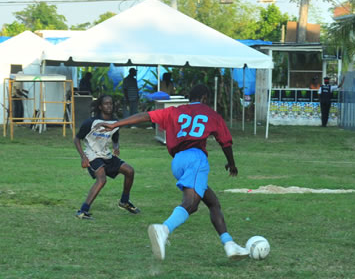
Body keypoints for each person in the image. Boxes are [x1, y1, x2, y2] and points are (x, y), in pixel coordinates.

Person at [98, 84, 249, 261]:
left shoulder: (175, 111)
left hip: (177, 162)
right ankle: (164, 229)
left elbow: (145, 116)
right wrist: (231, 164)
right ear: (205, 98)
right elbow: (226, 142)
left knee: (213, 202)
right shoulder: (211, 114)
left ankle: (229, 244)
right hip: (195, 159)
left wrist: (116, 124)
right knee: (191, 203)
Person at [73, 94, 140, 220]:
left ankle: (124, 201)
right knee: (102, 180)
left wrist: (116, 147)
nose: (109, 106)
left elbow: (115, 138)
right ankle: (82, 211)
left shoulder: (115, 122)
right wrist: (83, 157)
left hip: (105, 154)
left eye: (111, 103)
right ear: (100, 106)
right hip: (92, 155)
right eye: (106, 103)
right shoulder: (90, 122)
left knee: (129, 171)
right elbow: (76, 139)